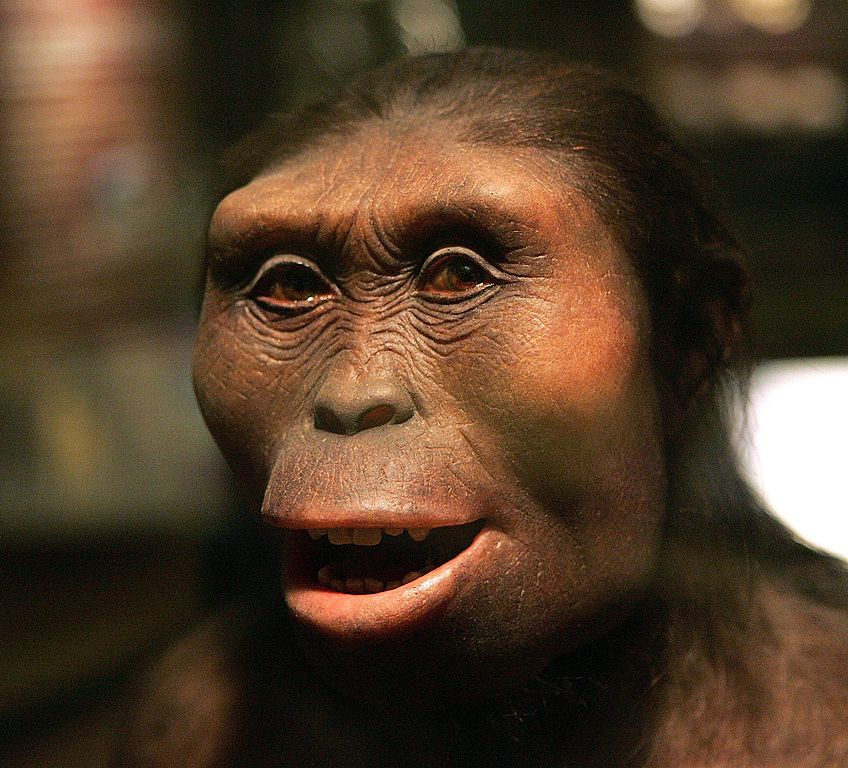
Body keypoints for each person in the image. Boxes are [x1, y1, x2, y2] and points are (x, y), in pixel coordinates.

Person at [117, 48, 848, 767]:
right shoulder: (199, 729)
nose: (352, 391)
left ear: (685, 343)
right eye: (289, 291)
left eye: (457, 277)